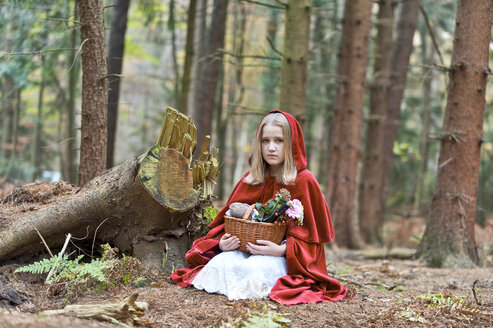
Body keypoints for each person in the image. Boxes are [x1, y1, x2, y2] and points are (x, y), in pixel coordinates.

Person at [170, 110, 347, 305]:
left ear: (292, 144)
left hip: (281, 257)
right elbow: (224, 224)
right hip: (243, 250)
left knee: (256, 270)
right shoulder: (251, 180)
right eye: (265, 141)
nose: (271, 148)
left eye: (279, 141)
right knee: (221, 264)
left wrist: (280, 250)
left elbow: (312, 240)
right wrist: (222, 243)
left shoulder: (304, 181)